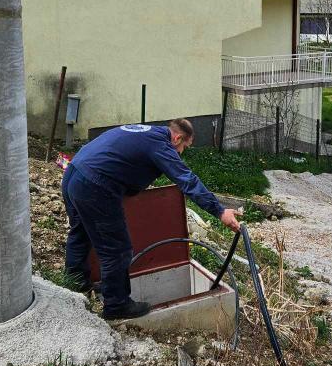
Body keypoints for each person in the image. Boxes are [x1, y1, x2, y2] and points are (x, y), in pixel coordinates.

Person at [62, 118, 242, 320]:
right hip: (94, 185)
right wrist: (220, 211)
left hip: (73, 173)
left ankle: (76, 282)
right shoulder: (161, 145)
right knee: (116, 249)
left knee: (80, 232)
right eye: (185, 147)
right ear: (178, 138)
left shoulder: (147, 133)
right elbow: (187, 181)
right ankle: (117, 305)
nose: (182, 152)